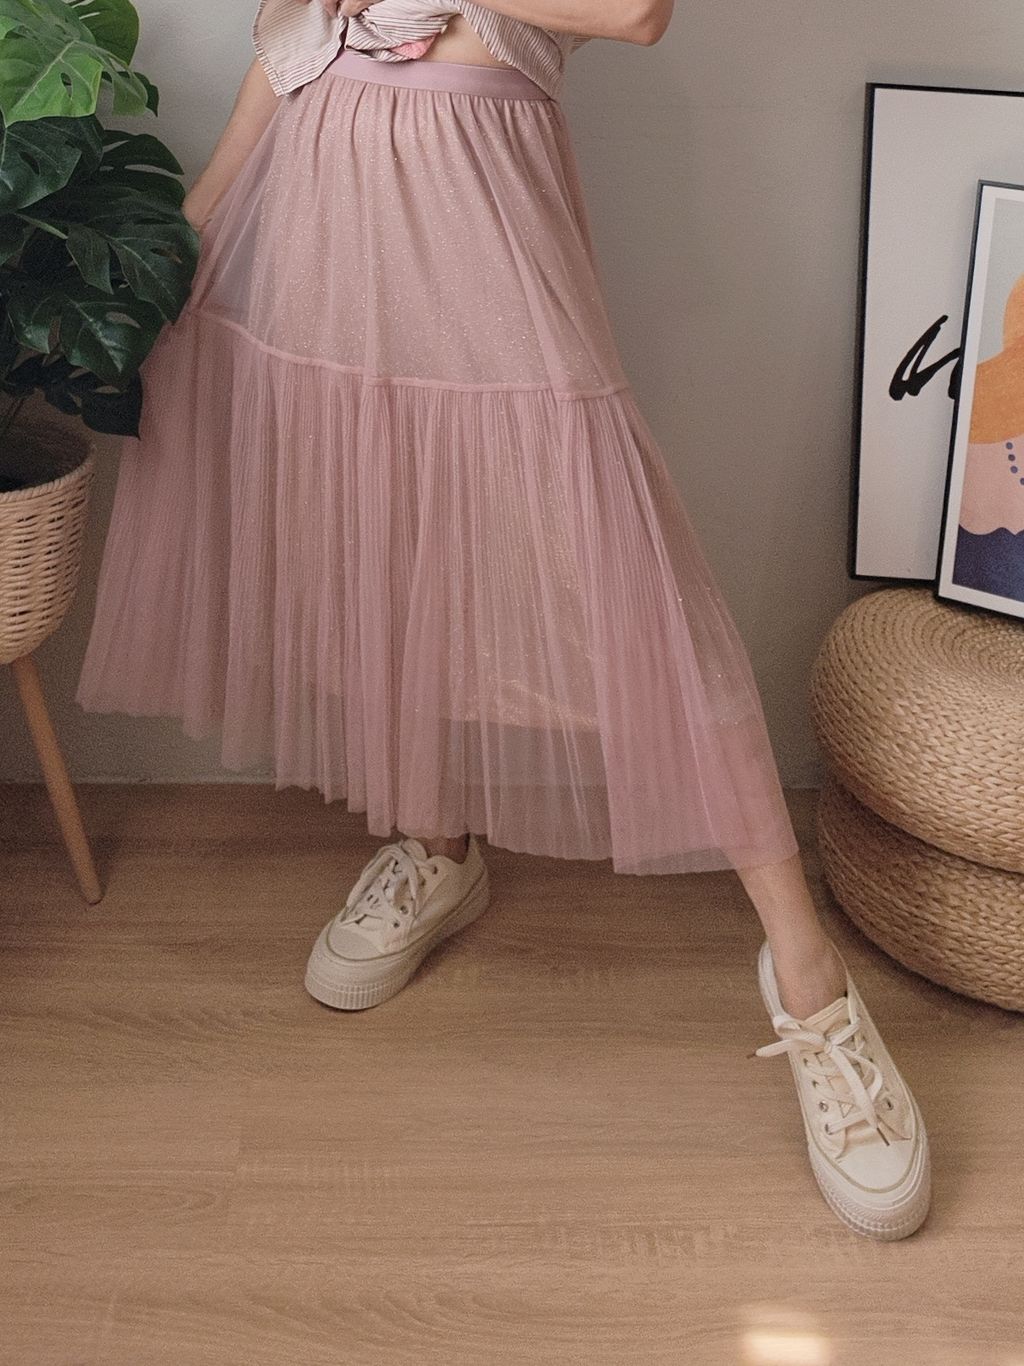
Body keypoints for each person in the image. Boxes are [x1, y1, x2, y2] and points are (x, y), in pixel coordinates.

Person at [74, 0, 931, 1239]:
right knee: (381, 545)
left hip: (484, 236)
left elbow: (634, 10)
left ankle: (811, 984)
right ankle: (438, 841)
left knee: (635, 590)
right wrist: (189, 234)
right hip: (319, 223)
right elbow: (291, 43)